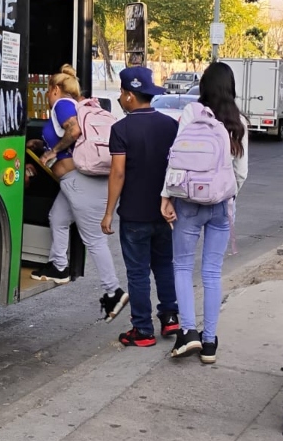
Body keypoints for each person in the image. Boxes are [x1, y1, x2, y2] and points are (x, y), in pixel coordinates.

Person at [162, 61, 248, 362]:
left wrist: (166, 195)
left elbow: (176, 159)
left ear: (203, 86)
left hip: (188, 202)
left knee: (183, 267)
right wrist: (226, 194)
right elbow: (242, 172)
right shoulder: (239, 122)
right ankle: (209, 342)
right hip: (222, 206)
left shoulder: (190, 113)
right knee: (212, 271)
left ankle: (188, 332)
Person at [32, 64, 129, 321]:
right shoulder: (77, 104)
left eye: (47, 90)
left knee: (95, 240)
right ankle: (59, 266)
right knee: (57, 218)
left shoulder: (62, 104)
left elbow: (73, 130)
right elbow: (69, 137)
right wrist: (42, 144)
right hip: (76, 181)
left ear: (55, 89)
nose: (47, 95)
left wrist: (51, 153)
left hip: (79, 181)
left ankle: (114, 291)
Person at [101, 66, 180, 347]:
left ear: (130, 95)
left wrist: (108, 212)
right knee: (164, 265)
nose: (120, 98)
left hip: (134, 214)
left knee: (137, 272)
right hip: (165, 210)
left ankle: (143, 330)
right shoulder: (170, 126)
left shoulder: (121, 129)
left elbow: (118, 173)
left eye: (122, 93)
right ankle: (170, 318)